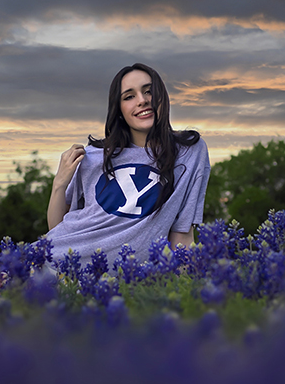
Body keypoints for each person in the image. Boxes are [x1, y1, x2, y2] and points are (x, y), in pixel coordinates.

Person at [45, 63, 210, 265]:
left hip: (133, 279)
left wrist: (185, 287)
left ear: (162, 97)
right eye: (129, 96)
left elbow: (182, 232)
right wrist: (59, 184)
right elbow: (57, 230)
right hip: (65, 264)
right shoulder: (93, 156)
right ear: (119, 109)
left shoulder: (190, 151)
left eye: (149, 91)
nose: (142, 101)